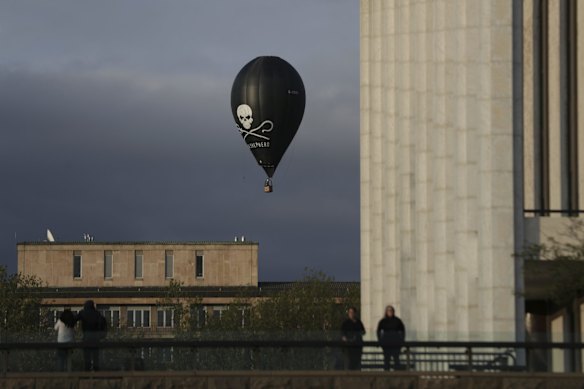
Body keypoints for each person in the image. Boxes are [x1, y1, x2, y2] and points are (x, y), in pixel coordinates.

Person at [76, 300, 107, 371]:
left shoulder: (83, 313)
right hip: (96, 336)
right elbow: (102, 323)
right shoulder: (97, 313)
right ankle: (96, 371)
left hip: (87, 336)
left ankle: (87, 371)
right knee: (96, 356)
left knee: (87, 356)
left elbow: (74, 319)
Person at [376, 305, 406, 370]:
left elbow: (403, 330)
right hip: (386, 343)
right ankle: (386, 376)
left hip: (396, 343)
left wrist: (401, 340)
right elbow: (378, 331)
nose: (390, 312)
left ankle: (397, 375)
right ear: (386, 312)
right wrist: (380, 340)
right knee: (387, 360)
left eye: (391, 311)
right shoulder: (383, 321)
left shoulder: (397, 320)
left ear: (393, 312)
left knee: (396, 360)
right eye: (388, 311)